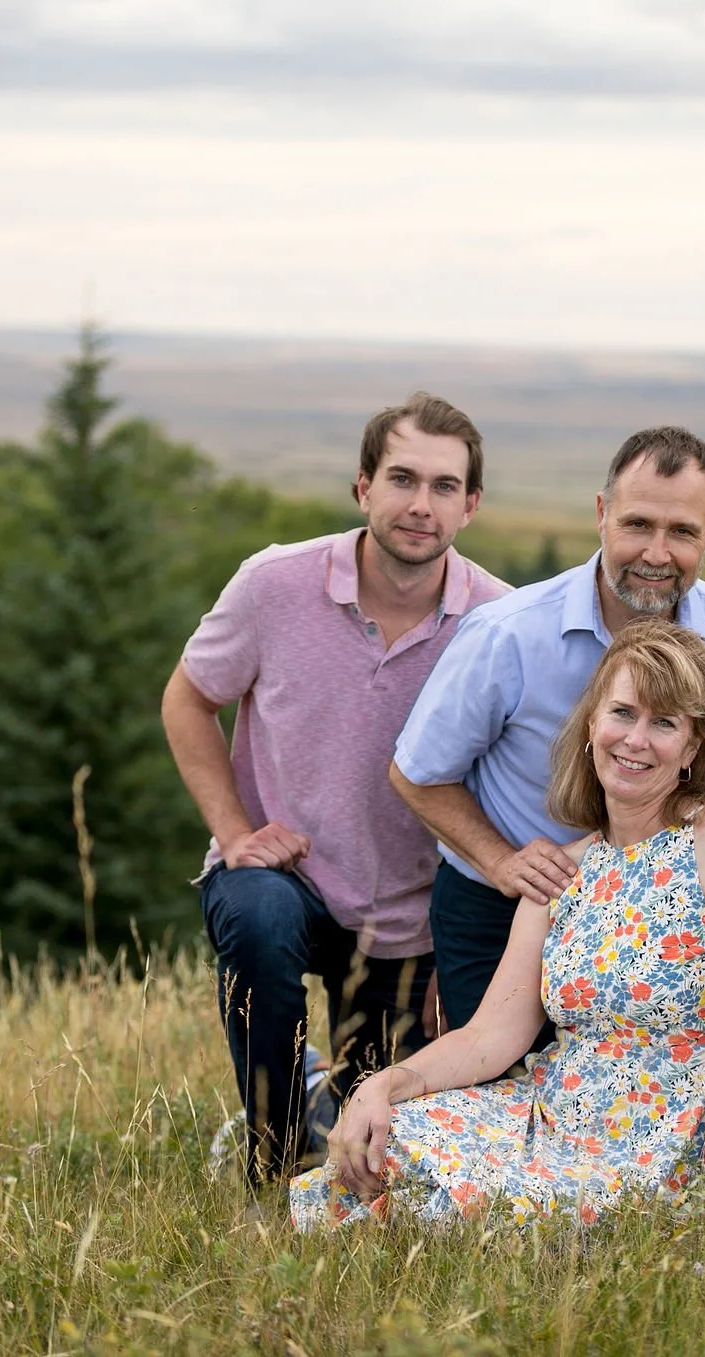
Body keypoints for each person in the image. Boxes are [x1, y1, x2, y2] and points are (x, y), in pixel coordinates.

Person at [291, 622, 705, 1227]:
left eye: (665, 723)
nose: (636, 740)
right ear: (591, 725)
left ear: (691, 749)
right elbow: (490, 1037)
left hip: (660, 1148)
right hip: (549, 1117)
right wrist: (383, 1085)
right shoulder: (565, 870)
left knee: (468, 1205)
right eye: (623, 713)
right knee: (388, 1138)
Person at [162, 392, 510, 1188]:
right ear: (362, 487)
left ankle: (320, 1092)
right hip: (289, 882)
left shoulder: (497, 621)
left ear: (470, 505)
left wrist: (464, 942)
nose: (421, 505)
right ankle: (272, 1161)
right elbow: (187, 698)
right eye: (402, 479)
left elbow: (512, 784)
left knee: (374, 1141)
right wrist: (235, 831)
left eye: (445, 486)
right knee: (257, 917)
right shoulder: (273, 584)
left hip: (414, 920)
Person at [391, 426, 705, 1028]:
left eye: (682, 532)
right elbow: (416, 774)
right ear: (601, 513)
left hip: (673, 919)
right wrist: (501, 863)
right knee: (495, 1076)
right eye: (637, 524)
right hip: (508, 904)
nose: (657, 553)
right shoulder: (507, 635)